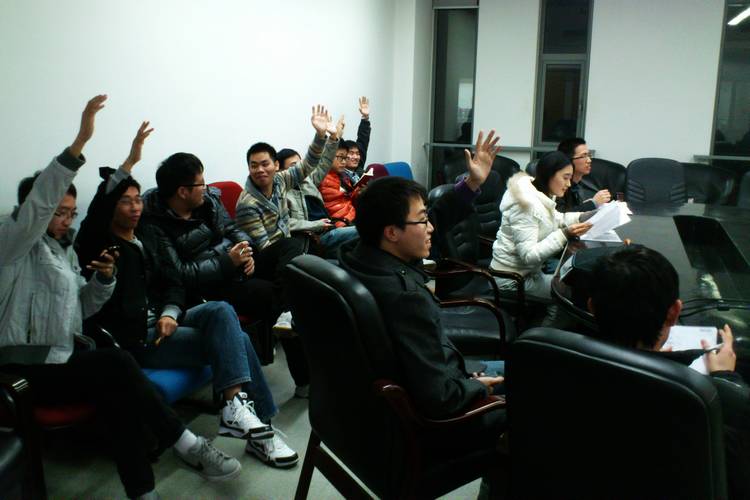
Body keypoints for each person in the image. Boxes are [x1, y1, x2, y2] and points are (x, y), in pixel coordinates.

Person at [0, 96, 240, 499]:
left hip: (61, 359)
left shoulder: (63, 251)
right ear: (32, 211)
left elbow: (80, 310)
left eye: (70, 212)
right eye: (58, 212)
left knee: (118, 394)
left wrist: (102, 281)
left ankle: (143, 492)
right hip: (22, 369)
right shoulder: (12, 243)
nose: (66, 219)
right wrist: (80, 141)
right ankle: (185, 442)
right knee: (117, 363)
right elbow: (42, 203)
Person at [75, 122, 298, 468]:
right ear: (110, 208)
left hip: (169, 319)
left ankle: (240, 413)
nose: (135, 208)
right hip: (139, 338)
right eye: (125, 202)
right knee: (238, 338)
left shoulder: (144, 237)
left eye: (137, 200)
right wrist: (129, 162)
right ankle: (260, 431)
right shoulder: (102, 243)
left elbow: (173, 282)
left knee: (222, 312)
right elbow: (179, 272)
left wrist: (169, 310)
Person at [339, 130, 506, 424]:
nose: (430, 227)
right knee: (541, 375)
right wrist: (478, 387)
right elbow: (441, 397)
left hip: (426, 375)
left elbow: (436, 217)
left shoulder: (358, 253)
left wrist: (472, 183)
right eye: (422, 219)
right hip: (450, 407)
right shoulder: (408, 299)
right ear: (392, 232)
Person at [588, 246, 750, 500]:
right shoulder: (710, 403)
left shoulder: (552, 373)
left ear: (591, 307)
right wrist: (726, 378)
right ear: (674, 312)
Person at [490, 151, 592, 303]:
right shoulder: (525, 205)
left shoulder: (539, 193)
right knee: (570, 292)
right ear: (549, 174)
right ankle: (545, 319)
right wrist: (564, 234)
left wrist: (582, 216)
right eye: (565, 178)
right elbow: (529, 256)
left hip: (528, 273)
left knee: (574, 285)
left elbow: (556, 218)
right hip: (511, 280)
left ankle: (547, 314)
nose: (569, 184)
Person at [556, 137, 611, 212]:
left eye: (589, 155)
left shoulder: (585, 187)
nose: (589, 160)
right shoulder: (557, 187)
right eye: (584, 156)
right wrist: (592, 203)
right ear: (568, 160)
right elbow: (561, 215)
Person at [319, 141, 361, 226]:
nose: (344, 162)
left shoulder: (340, 175)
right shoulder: (321, 178)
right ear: (327, 156)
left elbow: (348, 199)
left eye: (345, 158)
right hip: (340, 223)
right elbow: (337, 208)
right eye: (340, 157)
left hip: (351, 217)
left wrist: (358, 192)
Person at [342, 95, 371, 182]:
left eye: (357, 154)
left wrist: (365, 117)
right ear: (343, 156)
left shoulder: (358, 168)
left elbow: (363, 140)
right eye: (351, 153)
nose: (356, 157)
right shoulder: (339, 175)